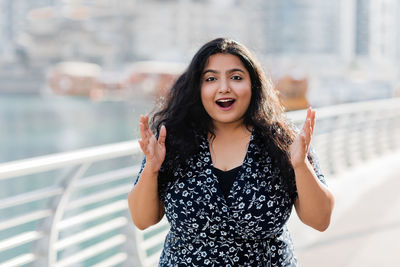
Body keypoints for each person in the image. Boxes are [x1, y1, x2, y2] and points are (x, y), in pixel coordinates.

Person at [128, 38, 334, 266]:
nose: (224, 87)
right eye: (211, 78)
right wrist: (152, 169)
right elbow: (142, 219)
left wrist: (300, 166)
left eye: (236, 77)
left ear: (254, 85)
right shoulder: (172, 141)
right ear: (197, 88)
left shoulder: (283, 140)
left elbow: (320, 220)